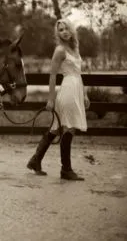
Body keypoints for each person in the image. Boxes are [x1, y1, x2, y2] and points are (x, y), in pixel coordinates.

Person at [27, 18, 90, 181]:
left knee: (56, 129)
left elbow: (78, 73)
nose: (64, 32)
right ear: (58, 33)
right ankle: (66, 170)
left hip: (76, 89)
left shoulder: (75, 48)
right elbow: (53, 75)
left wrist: (84, 94)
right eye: (61, 30)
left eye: (66, 28)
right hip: (67, 90)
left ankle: (35, 160)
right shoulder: (60, 50)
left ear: (71, 30)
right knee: (68, 128)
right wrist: (50, 99)